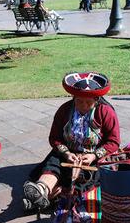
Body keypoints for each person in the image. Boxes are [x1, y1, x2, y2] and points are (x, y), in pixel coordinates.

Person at [22, 72, 121, 211]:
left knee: (86, 177)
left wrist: (94, 155)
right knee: (54, 163)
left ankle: (46, 197)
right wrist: (67, 153)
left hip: (93, 156)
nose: (83, 105)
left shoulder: (105, 112)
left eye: (88, 102)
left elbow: (113, 141)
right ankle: (42, 188)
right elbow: (55, 138)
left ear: (97, 99)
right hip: (68, 152)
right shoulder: (65, 110)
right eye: (79, 101)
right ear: (73, 97)